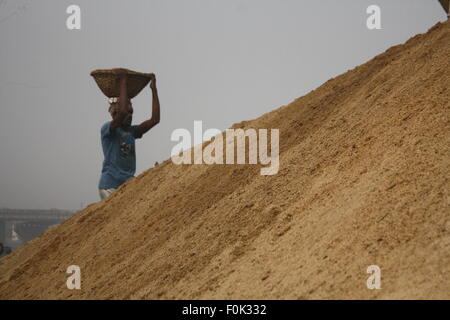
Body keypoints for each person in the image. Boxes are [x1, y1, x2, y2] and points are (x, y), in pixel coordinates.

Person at [98, 69, 160, 200]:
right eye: (128, 112)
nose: (130, 115)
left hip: (129, 186)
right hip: (110, 186)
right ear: (114, 112)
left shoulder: (132, 131)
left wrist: (153, 90)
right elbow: (123, 112)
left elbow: (155, 120)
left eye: (132, 112)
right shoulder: (108, 129)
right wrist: (123, 82)